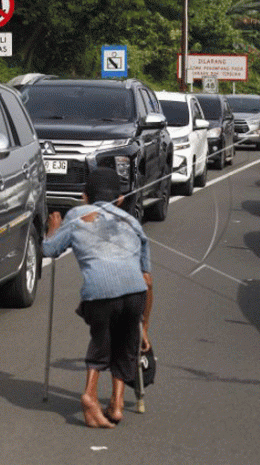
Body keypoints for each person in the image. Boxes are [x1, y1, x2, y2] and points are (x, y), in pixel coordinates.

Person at [42, 167, 153, 429]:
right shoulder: (133, 224)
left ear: (84, 196)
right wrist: (144, 327)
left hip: (100, 295)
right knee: (126, 344)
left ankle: (89, 395)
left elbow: (50, 249)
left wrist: (53, 229)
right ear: (121, 200)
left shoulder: (76, 216)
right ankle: (116, 404)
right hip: (135, 293)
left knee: (101, 341)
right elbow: (148, 280)